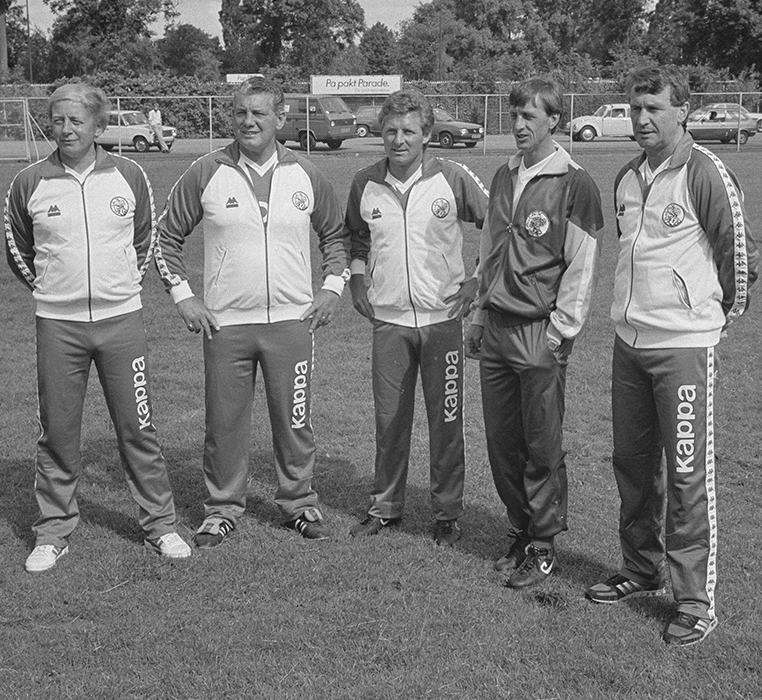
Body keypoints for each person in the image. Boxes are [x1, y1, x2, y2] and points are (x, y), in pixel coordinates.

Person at [584, 66, 759, 647]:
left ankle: (694, 600)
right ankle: (640, 569)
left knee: (687, 476)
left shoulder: (706, 172)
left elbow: (740, 256)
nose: (641, 120)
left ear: (682, 111)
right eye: (635, 110)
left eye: (654, 109)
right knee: (632, 467)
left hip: (683, 350)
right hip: (628, 347)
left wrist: (711, 324)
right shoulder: (626, 178)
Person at [3, 83, 191, 573]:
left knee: (138, 427)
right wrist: (54, 290)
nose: (65, 129)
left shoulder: (130, 175)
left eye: (75, 121)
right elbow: (19, 252)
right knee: (58, 432)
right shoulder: (29, 182)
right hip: (58, 326)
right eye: (57, 120)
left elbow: (147, 239)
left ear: (98, 126)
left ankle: (160, 525)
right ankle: (53, 531)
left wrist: (122, 286)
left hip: (121, 322)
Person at [155, 76, 350, 545]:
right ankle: (221, 509)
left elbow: (337, 237)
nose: (249, 122)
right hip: (226, 325)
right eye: (241, 113)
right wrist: (184, 295)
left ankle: (299, 503)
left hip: (292, 322)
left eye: (259, 113)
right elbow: (165, 237)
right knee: (223, 424)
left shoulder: (306, 174)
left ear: (281, 118)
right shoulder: (207, 171)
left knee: (294, 419)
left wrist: (332, 287)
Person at [465, 77, 602, 589]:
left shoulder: (574, 181)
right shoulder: (504, 175)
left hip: (538, 331)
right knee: (503, 442)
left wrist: (560, 329)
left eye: (530, 117)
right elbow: (489, 250)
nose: (519, 125)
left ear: (554, 122)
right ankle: (520, 531)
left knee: (541, 443)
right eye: (514, 116)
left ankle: (543, 545)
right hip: (496, 326)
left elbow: (582, 263)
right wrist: (478, 315)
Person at [345, 89, 489, 546]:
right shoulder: (364, 183)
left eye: (409, 131)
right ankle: (386, 507)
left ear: (427, 134)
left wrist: (478, 280)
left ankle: (446, 512)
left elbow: (500, 224)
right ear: (380, 134)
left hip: (442, 318)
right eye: (390, 131)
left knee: (446, 419)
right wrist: (356, 279)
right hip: (389, 321)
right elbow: (356, 239)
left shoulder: (452, 178)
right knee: (390, 420)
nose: (398, 140)